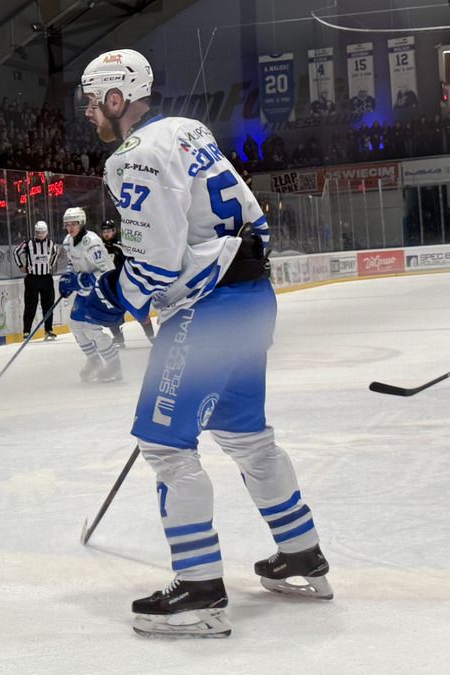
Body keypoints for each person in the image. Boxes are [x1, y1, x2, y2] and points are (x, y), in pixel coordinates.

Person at [78, 49, 331, 638]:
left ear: (117, 98)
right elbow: (246, 223)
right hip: (252, 298)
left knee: (165, 446)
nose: (88, 112)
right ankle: (302, 554)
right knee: (249, 440)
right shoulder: (188, 129)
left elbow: (157, 264)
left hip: (207, 311)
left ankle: (199, 591)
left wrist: (111, 293)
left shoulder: (132, 156)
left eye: (92, 101)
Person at [58, 207, 122, 382]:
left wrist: (84, 280)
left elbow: (107, 271)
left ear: (81, 223)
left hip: (100, 291)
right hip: (84, 292)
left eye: (74, 224)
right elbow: (72, 264)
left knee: (91, 329)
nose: (70, 228)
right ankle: (94, 361)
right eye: (67, 224)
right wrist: (68, 278)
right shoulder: (68, 241)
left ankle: (114, 365)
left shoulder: (92, 242)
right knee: (76, 326)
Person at [99, 219, 155, 346]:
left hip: (126, 286)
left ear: (114, 231)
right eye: (104, 231)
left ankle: (152, 337)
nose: (106, 233)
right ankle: (118, 338)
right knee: (109, 314)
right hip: (109, 288)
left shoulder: (121, 247)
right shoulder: (99, 247)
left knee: (140, 312)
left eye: (109, 231)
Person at [13, 220, 59, 341]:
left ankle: (48, 330)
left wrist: (50, 265)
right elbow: (16, 252)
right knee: (30, 305)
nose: (40, 234)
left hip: (46, 278)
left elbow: (56, 253)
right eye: (38, 232)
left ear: (46, 232)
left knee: (48, 305)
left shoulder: (51, 243)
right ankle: (26, 331)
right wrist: (20, 266)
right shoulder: (28, 243)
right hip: (32, 278)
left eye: (42, 232)